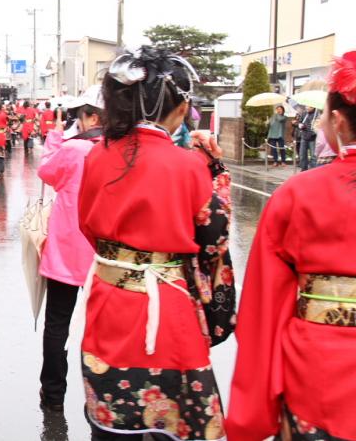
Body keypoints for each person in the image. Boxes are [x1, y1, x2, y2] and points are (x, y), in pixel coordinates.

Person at [77, 47, 236, 440]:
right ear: (181, 110)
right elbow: (213, 240)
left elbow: (87, 227)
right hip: (168, 310)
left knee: (110, 420)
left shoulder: (97, 156)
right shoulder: (188, 166)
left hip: (110, 301)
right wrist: (215, 171)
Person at [225, 51, 356, 441]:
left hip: (320, 377)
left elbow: (264, 309)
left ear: (337, 120)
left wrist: (255, 405)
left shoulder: (300, 194)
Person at [37, 86, 104, 413]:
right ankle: (102, 399)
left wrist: (55, 137)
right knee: (103, 327)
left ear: (91, 116)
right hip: (104, 255)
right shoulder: (119, 150)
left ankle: (53, 395)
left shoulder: (74, 149)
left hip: (66, 248)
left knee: (58, 324)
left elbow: (46, 172)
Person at [297, 105, 318, 171]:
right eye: (306, 106)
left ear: (313, 107)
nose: (307, 108)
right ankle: (304, 169)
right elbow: (300, 121)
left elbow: (317, 126)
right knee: (302, 154)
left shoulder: (317, 114)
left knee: (313, 156)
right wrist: (299, 124)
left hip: (313, 137)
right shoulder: (304, 113)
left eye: (309, 107)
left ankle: (313, 170)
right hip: (304, 136)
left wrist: (305, 126)